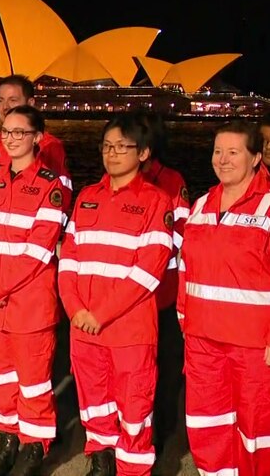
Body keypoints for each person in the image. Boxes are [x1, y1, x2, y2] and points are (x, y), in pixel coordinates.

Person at [58, 114, 173, 476]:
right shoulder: (88, 197)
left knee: (135, 406)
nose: (113, 153)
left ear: (143, 153)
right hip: (84, 328)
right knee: (93, 402)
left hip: (128, 330)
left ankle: (133, 468)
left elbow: (147, 271)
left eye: (122, 146)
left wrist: (100, 314)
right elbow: (68, 260)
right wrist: (76, 310)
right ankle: (101, 460)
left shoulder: (157, 201)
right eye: (107, 146)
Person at [0, 106, 65, 476]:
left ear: (38, 138)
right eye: (6, 132)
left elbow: (39, 250)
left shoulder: (50, 187)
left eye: (19, 132)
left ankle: (33, 446)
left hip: (28, 304)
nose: (10, 138)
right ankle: (7, 438)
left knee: (33, 381)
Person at [179, 120, 270, 476]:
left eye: (234, 152)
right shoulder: (202, 204)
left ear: (256, 158)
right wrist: (186, 322)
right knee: (207, 425)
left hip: (253, 346)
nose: (223, 160)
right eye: (218, 151)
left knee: (257, 431)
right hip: (203, 342)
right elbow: (187, 268)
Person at [136, 111, 190, 455]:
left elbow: (181, 239)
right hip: (129, 300)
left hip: (163, 297)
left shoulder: (172, 182)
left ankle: (161, 435)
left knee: (164, 370)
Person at [0, 75, 72, 209]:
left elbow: (61, 198)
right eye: (0, 101)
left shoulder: (50, 147)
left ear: (30, 103)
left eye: (13, 100)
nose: (5, 107)